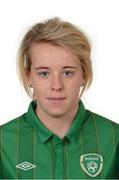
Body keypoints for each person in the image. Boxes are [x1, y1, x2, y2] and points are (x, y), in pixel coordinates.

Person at [0, 17, 119, 179]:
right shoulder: (3, 142)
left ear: (84, 75)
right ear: (28, 76)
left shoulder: (114, 138)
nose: (56, 85)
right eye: (44, 73)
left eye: (68, 73)